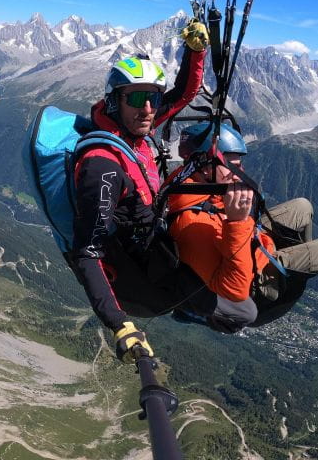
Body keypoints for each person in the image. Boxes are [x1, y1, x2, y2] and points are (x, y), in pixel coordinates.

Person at [70, 21, 224, 363]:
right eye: (138, 98)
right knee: (230, 306)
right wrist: (119, 324)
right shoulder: (103, 165)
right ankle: (193, 308)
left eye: (153, 98)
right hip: (141, 274)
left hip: (155, 242)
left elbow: (183, 94)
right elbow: (87, 253)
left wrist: (196, 51)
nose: (149, 109)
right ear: (114, 101)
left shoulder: (135, 125)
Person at [166, 122, 318, 332]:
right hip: (257, 287)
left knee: (302, 207)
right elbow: (235, 290)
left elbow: (217, 221)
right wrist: (237, 222)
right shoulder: (192, 226)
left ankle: (299, 268)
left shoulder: (188, 183)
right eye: (232, 166)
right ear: (205, 166)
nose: (240, 171)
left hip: (247, 245)